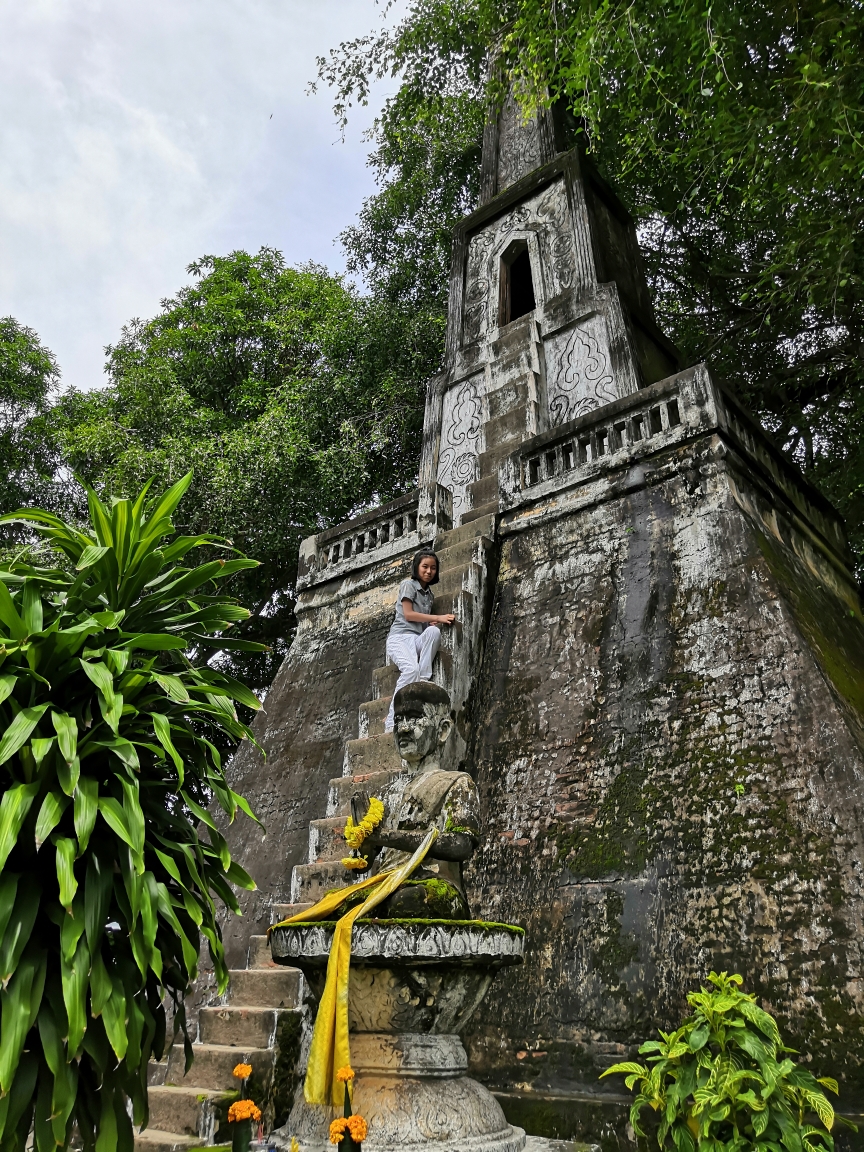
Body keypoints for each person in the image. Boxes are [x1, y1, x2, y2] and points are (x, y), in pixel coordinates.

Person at [383, 549, 456, 733]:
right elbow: (408, 614)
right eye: (425, 567)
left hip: (415, 640)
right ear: (417, 567)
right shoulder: (408, 585)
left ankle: (424, 678)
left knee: (433, 632)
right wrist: (438, 617)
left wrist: (431, 622)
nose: (429, 571)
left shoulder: (429, 595)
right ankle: (391, 721)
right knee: (410, 670)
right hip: (399, 639)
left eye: (433, 568)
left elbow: (422, 624)